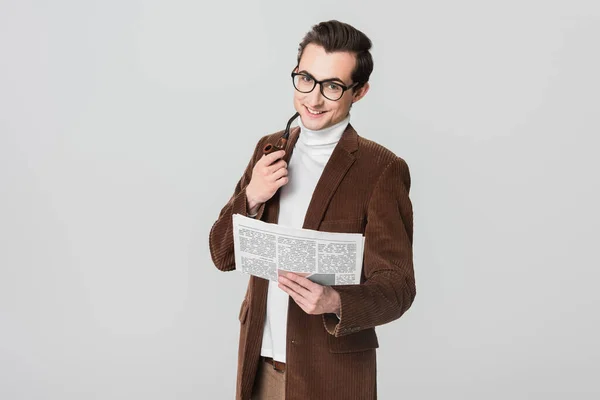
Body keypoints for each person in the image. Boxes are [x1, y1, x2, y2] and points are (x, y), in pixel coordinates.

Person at [209, 20, 416, 400]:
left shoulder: (382, 169)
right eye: (305, 78)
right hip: (261, 369)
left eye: (332, 86)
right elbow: (222, 255)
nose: (313, 98)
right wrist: (252, 195)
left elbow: (398, 288)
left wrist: (336, 301)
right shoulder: (269, 149)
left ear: (360, 92)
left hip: (332, 376)